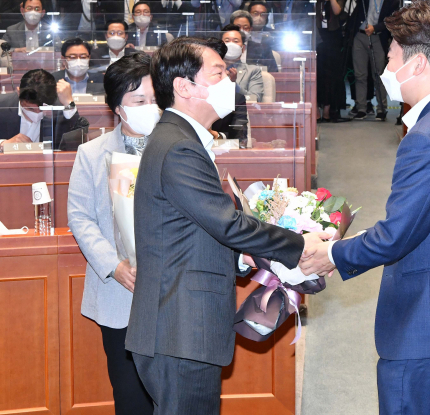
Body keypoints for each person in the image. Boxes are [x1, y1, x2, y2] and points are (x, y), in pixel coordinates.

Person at [299, 0, 430, 414]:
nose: (386, 66)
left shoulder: (427, 136)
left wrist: (331, 254)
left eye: (392, 56)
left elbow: (397, 235)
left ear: (416, 65)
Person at [124, 35, 327, 414]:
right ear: (184, 86)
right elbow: (228, 225)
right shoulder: (179, 145)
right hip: (179, 329)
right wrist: (301, 247)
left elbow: (191, 229)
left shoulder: (180, 138)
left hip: (179, 329)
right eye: (218, 72)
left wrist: (240, 261)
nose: (229, 79)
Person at [67, 53, 159, 415]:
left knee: (174, 395)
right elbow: (80, 218)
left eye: (155, 99)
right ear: (117, 108)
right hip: (119, 294)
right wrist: (115, 266)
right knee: (131, 398)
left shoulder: (178, 148)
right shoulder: (91, 154)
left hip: (170, 293)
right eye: (139, 101)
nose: (150, 107)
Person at [350, 0, 399, 121]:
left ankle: (382, 108)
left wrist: (376, 27)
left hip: (377, 37)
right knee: (360, 74)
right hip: (359, 35)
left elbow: (391, 21)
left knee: (378, 74)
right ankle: (361, 108)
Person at [0, 69, 86, 150]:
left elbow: (75, 144)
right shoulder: (2, 105)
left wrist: (69, 103)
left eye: (42, 109)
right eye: (30, 109)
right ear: (19, 93)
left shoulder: (59, 107)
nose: (37, 114)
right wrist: (3, 144)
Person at [314, 0, 346, 122]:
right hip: (319, 38)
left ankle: (329, 109)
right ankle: (318, 110)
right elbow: (312, 10)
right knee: (319, 75)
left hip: (333, 38)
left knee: (332, 76)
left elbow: (337, 11)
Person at [220, 25, 264, 102]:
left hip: (240, 112)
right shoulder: (210, 69)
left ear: (243, 48)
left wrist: (233, 84)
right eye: (227, 41)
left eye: (235, 41)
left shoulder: (253, 71)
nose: (231, 45)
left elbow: (255, 99)